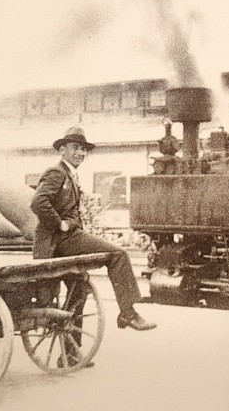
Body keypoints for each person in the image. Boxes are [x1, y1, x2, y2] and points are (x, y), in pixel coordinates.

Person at [31, 127, 157, 348]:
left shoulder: (71, 174)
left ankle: (70, 353)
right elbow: (38, 202)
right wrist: (59, 223)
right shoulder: (57, 172)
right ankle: (127, 312)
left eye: (83, 149)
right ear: (62, 150)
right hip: (59, 240)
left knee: (78, 287)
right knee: (118, 254)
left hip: (67, 237)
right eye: (76, 148)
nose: (81, 153)